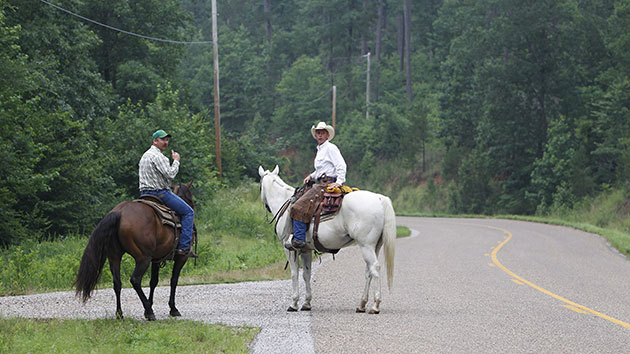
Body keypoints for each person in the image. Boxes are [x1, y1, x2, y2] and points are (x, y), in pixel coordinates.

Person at [287, 122, 347, 250]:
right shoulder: (320, 150)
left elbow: (341, 165)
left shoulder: (331, 148)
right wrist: (312, 176)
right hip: (320, 182)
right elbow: (323, 169)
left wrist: (340, 181)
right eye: (318, 133)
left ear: (327, 135)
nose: (320, 135)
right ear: (315, 135)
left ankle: (299, 239)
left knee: (298, 206)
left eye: (323, 133)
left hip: (325, 185)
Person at [139, 129, 197, 258]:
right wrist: (176, 160)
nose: (166, 142)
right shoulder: (159, 156)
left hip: (144, 194)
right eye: (163, 139)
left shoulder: (144, 155)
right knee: (188, 212)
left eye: (167, 140)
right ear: (155, 141)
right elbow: (170, 174)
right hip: (160, 193)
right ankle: (184, 247)